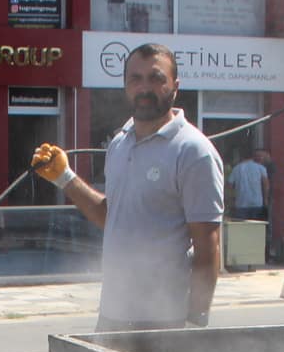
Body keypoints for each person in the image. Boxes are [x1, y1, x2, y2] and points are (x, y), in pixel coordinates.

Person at [32, 43, 224, 330]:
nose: (145, 88)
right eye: (136, 79)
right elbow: (112, 216)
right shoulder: (120, 143)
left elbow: (208, 247)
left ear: (175, 86)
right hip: (113, 314)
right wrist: (64, 178)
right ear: (125, 86)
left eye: (156, 78)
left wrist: (195, 323)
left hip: (164, 320)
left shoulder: (193, 151)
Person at [229, 148, 271, 221]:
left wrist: (232, 200)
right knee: (256, 227)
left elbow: (230, 185)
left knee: (243, 228)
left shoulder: (236, 169)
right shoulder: (261, 168)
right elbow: (266, 185)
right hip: (257, 203)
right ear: (252, 157)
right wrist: (265, 200)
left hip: (241, 203)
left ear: (241, 157)